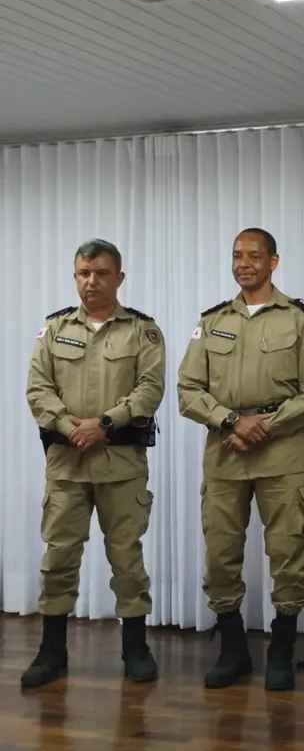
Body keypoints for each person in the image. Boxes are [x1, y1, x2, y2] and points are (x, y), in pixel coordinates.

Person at [177, 228, 304, 692]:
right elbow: (188, 390)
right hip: (225, 453)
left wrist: (264, 427)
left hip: (281, 454)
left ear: (273, 262)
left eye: (254, 256)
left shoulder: (300, 319)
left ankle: (281, 651)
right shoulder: (212, 321)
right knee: (221, 555)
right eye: (237, 256)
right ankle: (233, 651)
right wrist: (231, 422)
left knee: (287, 553)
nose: (243, 264)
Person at [22, 239, 164, 688]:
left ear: (119, 278)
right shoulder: (54, 329)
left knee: (127, 559)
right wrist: (69, 427)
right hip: (67, 465)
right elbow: (38, 388)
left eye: (101, 273)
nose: (92, 282)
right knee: (58, 557)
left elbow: (150, 389)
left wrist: (104, 424)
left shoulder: (142, 331)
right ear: (75, 276)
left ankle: (136, 649)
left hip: (120, 465)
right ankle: (52, 651)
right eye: (84, 273)